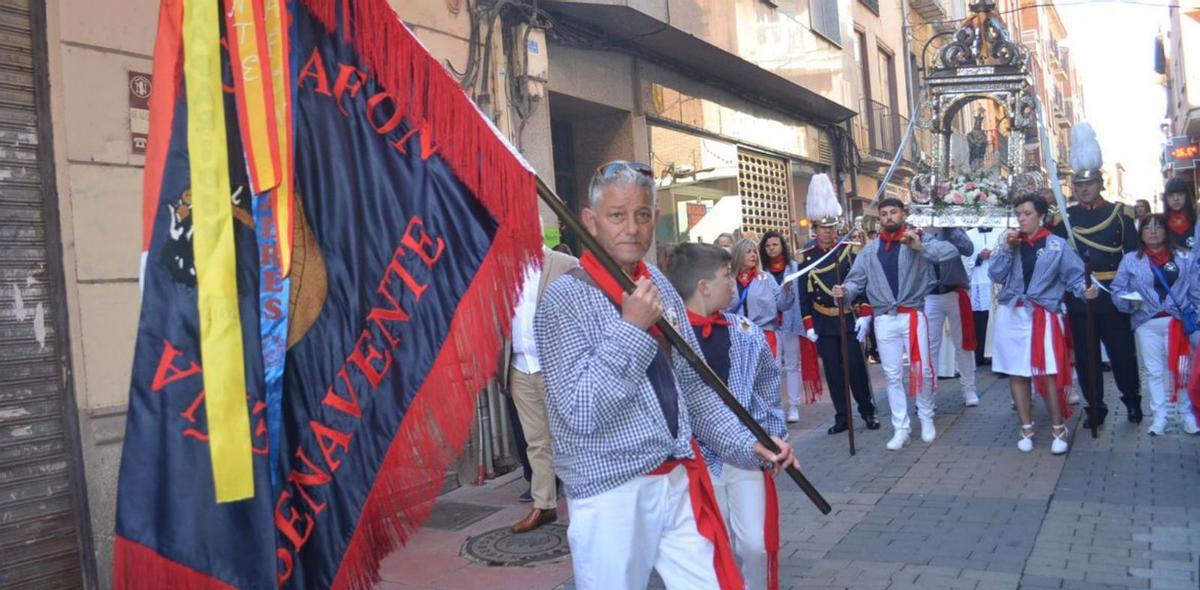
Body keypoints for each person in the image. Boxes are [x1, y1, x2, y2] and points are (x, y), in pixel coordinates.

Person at [535, 160, 797, 590]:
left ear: (655, 218)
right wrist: (631, 329)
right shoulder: (565, 299)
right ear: (590, 221)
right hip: (610, 491)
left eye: (642, 214)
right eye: (616, 215)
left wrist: (749, 444)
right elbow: (579, 411)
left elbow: (693, 386)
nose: (631, 228)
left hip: (676, 473)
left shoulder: (656, 281)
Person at [666, 243, 788, 590]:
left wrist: (773, 435)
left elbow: (767, 384)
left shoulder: (745, 331)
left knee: (754, 545)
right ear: (704, 286)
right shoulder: (668, 339)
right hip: (698, 460)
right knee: (711, 545)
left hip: (747, 454)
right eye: (725, 276)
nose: (733, 283)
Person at [832, 198, 962, 450]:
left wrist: (920, 247)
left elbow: (950, 253)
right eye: (884, 214)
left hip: (912, 313)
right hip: (884, 318)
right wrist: (844, 291)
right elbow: (855, 281)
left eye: (893, 212)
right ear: (879, 218)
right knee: (892, 375)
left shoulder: (917, 237)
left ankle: (926, 417)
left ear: (903, 214)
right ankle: (900, 427)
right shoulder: (869, 250)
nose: (889, 217)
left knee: (922, 370)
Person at [989, 194, 1097, 454]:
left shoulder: (1057, 245)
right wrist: (1006, 248)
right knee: (1017, 372)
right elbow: (995, 274)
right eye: (1018, 214)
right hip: (1012, 313)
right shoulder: (1010, 242)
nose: (1022, 219)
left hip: (1043, 314)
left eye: (1027, 214)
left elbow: (1075, 277)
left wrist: (1085, 290)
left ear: (1041, 216)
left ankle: (1058, 427)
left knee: (1048, 371)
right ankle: (1026, 427)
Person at [1053, 122, 1142, 427]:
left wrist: (1131, 293)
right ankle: (1095, 406)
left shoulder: (1120, 214)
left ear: (1100, 183)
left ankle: (1132, 401)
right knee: (1087, 357)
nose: (1084, 189)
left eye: (1089, 183)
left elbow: (1132, 257)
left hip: (1113, 295)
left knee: (1122, 353)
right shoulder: (1065, 218)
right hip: (1081, 297)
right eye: (1078, 184)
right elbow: (1056, 260)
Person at [503, 245, 578, 532]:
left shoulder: (564, 263)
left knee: (571, 436)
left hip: (555, 366)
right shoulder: (505, 269)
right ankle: (544, 504)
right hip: (520, 366)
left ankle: (585, 501)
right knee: (536, 440)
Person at [799, 174, 880, 434]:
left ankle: (867, 411)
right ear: (815, 229)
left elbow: (863, 284)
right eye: (823, 228)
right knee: (834, 373)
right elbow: (804, 295)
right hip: (824, 321)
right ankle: (842, 416)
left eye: (832, 227)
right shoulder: (806, 257)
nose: (828, 232)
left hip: (847, 317)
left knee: (856, 369)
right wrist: (809, 325)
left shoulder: (849, 251)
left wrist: (865, 314)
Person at [1111, 214, 1200, 436]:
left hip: (1177, 322)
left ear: (1166, 231)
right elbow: (1117, 289)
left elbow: (1195, 290)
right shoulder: (1131, 259)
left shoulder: (1184, 257)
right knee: (1153, 371)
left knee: (1181, 370)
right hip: (1146, 321)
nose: (1152, 231)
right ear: (1140, 233)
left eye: (1158, 227)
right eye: (1147, 227)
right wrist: (1129, 301)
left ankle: (1186, 414)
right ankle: (1159, 417)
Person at [728, 238, 797, 417]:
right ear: (738, 255)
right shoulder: (728, 280)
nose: (753, 255)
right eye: (748, 251)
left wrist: (787, 290)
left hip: (766, 334)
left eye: (754, 251)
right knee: (743, 379)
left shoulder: (766, 278)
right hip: (738, 336)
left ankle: (773, 419)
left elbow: (782, 304)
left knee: (768, 379)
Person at [924, 227, 979, 406]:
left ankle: (969, 389)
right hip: (929, 295)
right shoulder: (918, 230)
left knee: (963, 345)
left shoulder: (954, 229)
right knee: (930, 347)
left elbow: (968, 249)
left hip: (954, 292)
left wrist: (951, 230)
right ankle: (928, 393)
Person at [759, 230, 805, 422]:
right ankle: (775, 406)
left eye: (775, 244)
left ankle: (794, 406)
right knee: (773, 367)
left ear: (782, 246)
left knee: (793, 365)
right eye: (768, 245)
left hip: (791, 321)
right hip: (770, 325)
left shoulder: (794, 267)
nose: (771, 248)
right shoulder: (761, 272)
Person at [964, 226, 997, 366]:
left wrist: (993, 254)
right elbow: (964, 258)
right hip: (976, 281)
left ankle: (994, 355)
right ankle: (978, 354)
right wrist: (978, 257)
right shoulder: (968, 235)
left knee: (995, 320)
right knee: (978, 319)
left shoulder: (1001, 232)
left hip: (995, 283)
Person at [1162, 177, 1196, 250]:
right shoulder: (1161, 223)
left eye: (1180, 194)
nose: (1176, 199)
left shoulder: (1197, 221)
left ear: (1187, 196)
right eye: (1171, 195)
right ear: (1166, 199)